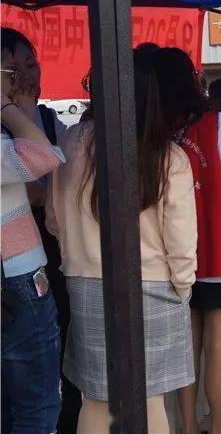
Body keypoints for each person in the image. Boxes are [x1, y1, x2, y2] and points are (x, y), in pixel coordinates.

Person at [47, 49, 197, 432]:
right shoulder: (169, 157)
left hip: (85, 283)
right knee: (150, 402)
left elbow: (53, 219)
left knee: (95, 401)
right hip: (157, 285)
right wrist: (183, 288)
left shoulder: (70, 143)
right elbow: (181, 243)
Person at [152, 48, 221, 434]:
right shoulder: (218, 124)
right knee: (218, 349)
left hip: (176, 257)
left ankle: (189, 427)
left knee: (186, 350)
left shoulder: (158, 130)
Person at [2, 26, 81, 433]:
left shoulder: (49, 119)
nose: (26, 76)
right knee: (32, 395)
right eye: (14, 69)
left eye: (30, 64)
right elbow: (35, 183)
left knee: (59, 351)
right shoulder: (14, 126)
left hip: (54, 254)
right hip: (20, 267)